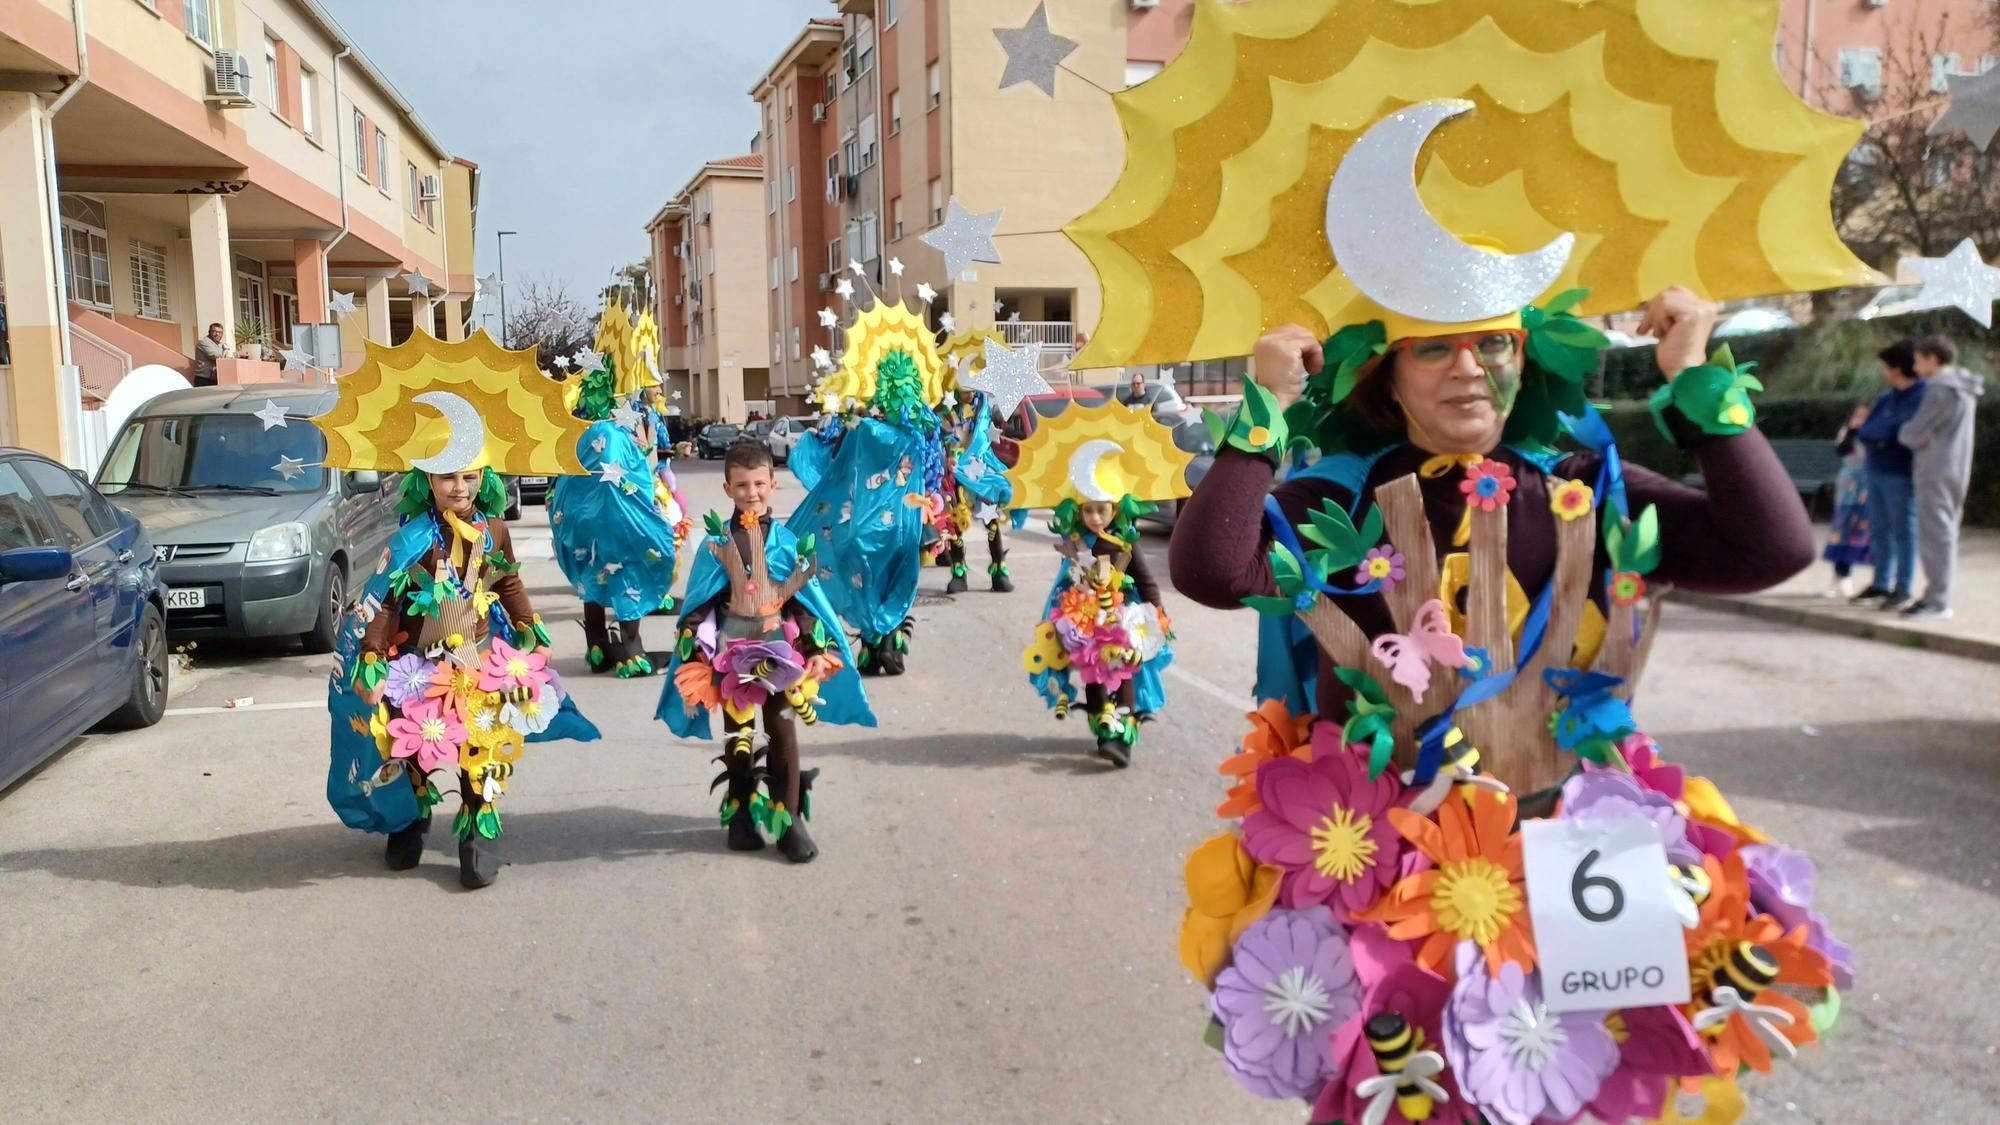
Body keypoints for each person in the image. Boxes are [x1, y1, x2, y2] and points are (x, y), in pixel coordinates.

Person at [656, 442, 875, 862]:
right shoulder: (716, 543)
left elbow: (803, 602)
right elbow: (701, 598)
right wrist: (690, 637)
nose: (751, 492)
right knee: (738, 734)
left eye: (758, 483)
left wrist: (812, 644)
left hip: (781, 653)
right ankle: (741, 813)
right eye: (741, 485)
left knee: (782, 728)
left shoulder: (786, 542)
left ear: (773, 485)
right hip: (730, 656)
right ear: (727, 488)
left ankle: (789, 820)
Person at [1897, 336, 1984, 620]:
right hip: (1953, 466)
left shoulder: (1940, 390)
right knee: (1943, 532)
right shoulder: (1961, 386)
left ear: (1933, 359)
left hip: (1936, 468)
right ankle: (1936, 597)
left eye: (1918, 358)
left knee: (1936, 535)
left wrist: (1907, 433)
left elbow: (1912, 432)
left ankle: (1936, 601)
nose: (1914, 364)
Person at [1848, 341, 1925, 609]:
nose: (1883, 372)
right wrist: (1881, 433)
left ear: (1898, 368)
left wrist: (1880, 432)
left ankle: (1902, 587)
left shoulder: (1920, 395)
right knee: (1880, 530)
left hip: (1900, 472)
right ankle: (1880, 582)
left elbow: (1901, 431)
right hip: (1876, 468)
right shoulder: (1886, 398)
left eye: (1886, 366)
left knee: (1903, 530)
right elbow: (1868, 430)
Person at [1821, 402, 1873, 598]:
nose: (1860, 420)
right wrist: (1852, 432)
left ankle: (1871, 580)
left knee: (1862, 531)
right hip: (1849, 485)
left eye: (1865, 416)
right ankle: (1840, 575)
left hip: (1868, 486)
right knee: (1843, 528)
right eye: (1858, 415)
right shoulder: (1848, 432)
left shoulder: (1874, 433)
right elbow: (1841, 451)